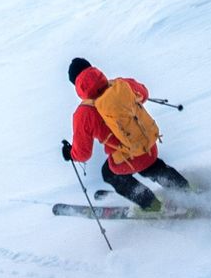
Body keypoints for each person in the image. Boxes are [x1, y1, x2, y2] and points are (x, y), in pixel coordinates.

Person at [60, 57, 194, 212]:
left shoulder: (83, 113)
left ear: (76, 85)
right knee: (151, 166)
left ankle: (152, 205)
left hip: (128, 159)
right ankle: (186, 191)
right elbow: (143, 93)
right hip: (149, 144)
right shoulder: (120, 84)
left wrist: (71, 154)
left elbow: (83, 154)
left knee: (110, 173)